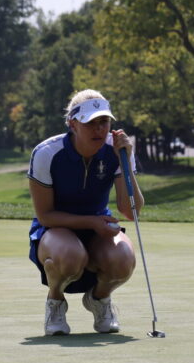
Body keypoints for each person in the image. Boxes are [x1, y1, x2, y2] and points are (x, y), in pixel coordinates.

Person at [27, 89, 141, 336]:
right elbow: (45, 215)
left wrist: (125, 162)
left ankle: (99, 300)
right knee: (69, 255)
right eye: (91, 123)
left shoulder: (117, 150)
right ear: (73, 124)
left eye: (104, 122)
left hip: (98, 229)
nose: (99, 129)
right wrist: (91, 222)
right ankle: (55, 302)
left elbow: (131, 211)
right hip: (55, 231)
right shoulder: (47, 153)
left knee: (123, 258)